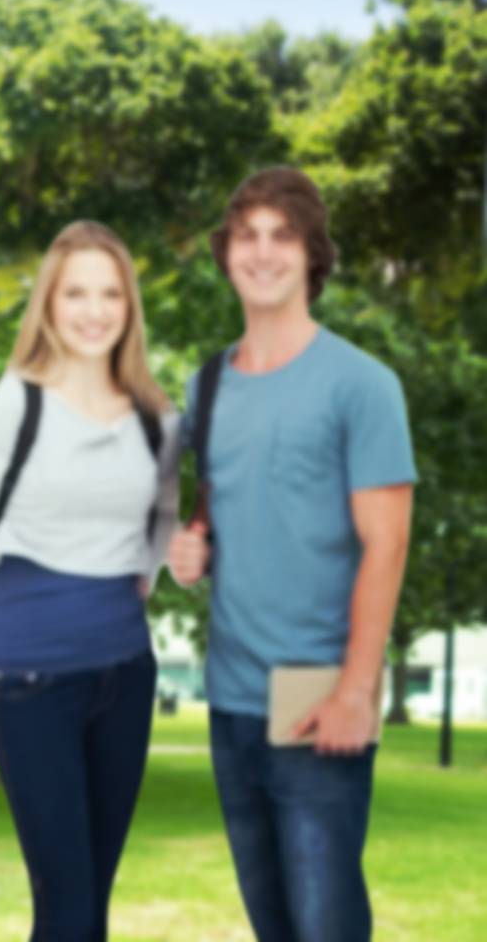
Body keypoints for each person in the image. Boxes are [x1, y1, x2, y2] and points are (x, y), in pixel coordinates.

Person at [169, 168, 415, 942]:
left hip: (316, 694)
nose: (263, 252)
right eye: (247, 235)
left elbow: (387, 544)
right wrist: (193, 547)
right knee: (272, 924)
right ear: (225, 254)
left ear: (312, 256)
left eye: (283, 236)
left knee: (325, 925)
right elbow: (224, 509)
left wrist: (354, 688)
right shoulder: (204, 385)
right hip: (231, 694)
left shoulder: (361, 385)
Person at [0, 221, 181, 942]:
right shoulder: (9, 409)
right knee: (67, 907)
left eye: (109, 293)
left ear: (129, 307)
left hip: (125, 677)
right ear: (47, 303)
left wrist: (144, 578)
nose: (93, 310)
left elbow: (157, 529)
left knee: (87, 906)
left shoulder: (156, 422)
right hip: (27, 680)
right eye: (75, 292)